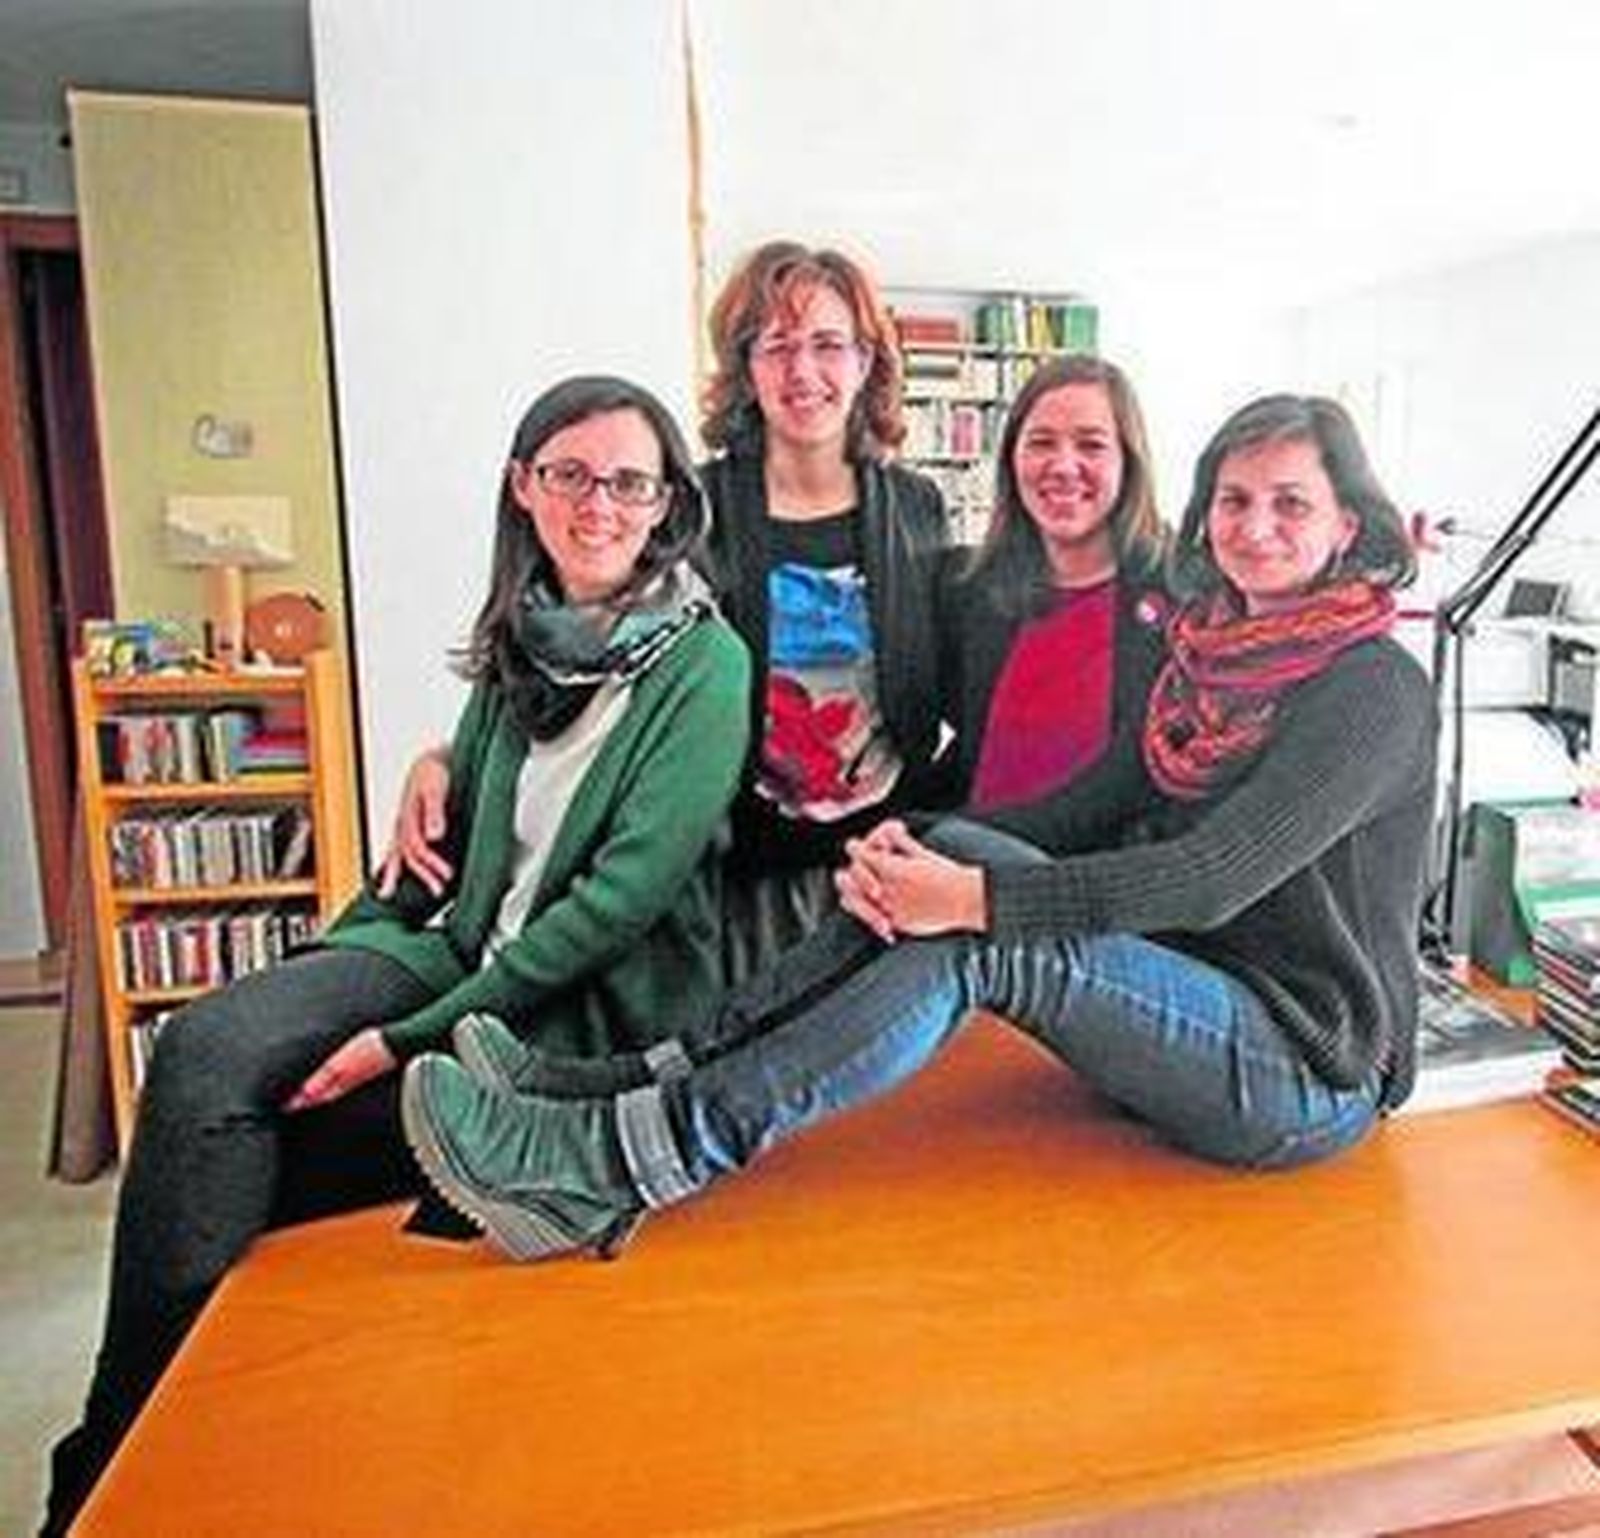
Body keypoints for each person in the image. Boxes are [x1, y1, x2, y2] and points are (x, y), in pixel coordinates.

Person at [397, 393, 1438, 1263]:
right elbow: (1077, 806)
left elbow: (1213, 876)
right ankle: (640, 1074)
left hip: (1307, 1066)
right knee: (950, 859)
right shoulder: (1203, 659)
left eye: (1289, 503)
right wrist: (910, 847)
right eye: (1235, 499)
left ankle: (618, 1167)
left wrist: (972, 898)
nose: (1254, 525)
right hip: (1195, 1004)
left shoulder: (1373, 686)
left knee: (983, 949)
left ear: (1347, 523)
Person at [41, 375, 752, 1534]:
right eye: (568, 473)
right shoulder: (527, 632)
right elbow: (475, 841)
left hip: (573, 1009)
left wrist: (399, 1040)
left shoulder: (703, 664)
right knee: (205, 1051)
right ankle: (131, 1451)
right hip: (449, 946)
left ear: (666, 502)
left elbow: (618, 904)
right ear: (524, 488)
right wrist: (434, 771)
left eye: (629, 480)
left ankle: (130, 1471)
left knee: (251, 1142)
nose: (598, 503)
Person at [400, 351, 1176, 1106]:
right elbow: (963, 749)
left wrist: (938, 848)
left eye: (1090, 444)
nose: (1062, 464)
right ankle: (641, 1090)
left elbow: (1121, 788)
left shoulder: (1173, 600)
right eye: (1040, 441)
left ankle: (644, 1117)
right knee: (816, 1006)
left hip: (1065, 893)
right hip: (888, 860)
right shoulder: (981, 589)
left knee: (833, 1019)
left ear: (1132, 458)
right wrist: (448, 760)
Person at [386, 241, 951, 982]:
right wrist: (444, 760)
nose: (802, 371)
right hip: (727, 869)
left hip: (877, 859)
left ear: (867, 359)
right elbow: (587, 654)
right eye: (775, 345)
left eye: (827, 344)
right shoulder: (691, 508)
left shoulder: (916, 507)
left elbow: (951, 684)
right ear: (744, 366)